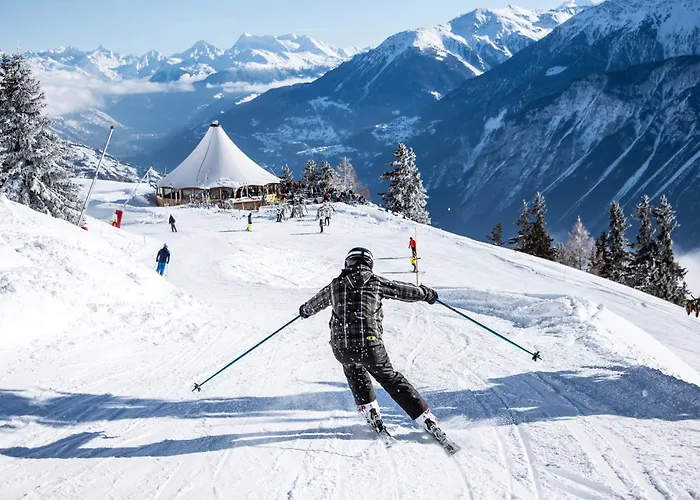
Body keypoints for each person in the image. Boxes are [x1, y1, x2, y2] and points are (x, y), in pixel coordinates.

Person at [298, 247, 442, 438]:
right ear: (369, 264)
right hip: (370, 346)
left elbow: (313, 304)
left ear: (348, 263)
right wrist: (427, 294)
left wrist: (304, 311)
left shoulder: (335, 285)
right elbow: (404, 290)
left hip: (342, 348)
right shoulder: (375, 282)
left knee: (354, 371)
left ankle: (370, 411)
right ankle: (426, 419)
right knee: (390, 380)